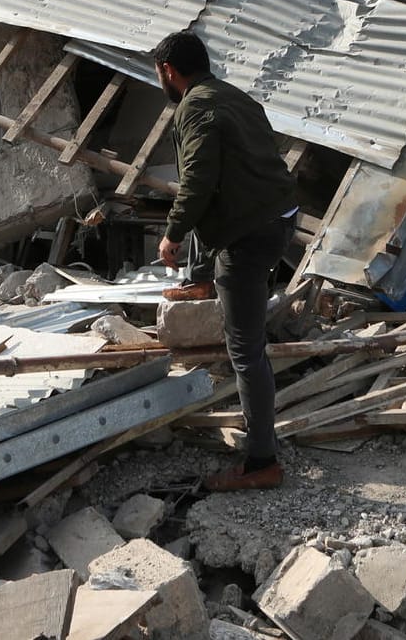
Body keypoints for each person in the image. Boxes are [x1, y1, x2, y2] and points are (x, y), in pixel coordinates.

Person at [152, 30, 297, 492]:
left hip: (252, 233)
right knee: (213, 218)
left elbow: (196, 180)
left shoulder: (193, 108)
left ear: (169, 72)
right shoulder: (234, 96)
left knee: (245, 350)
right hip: (278, 213)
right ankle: (201, 280)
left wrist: (171, 235)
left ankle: (260, 462)